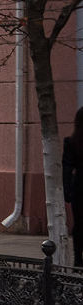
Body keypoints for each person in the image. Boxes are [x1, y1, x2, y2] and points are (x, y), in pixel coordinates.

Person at [65, 106, 83, 265]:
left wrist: (67, 191)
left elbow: (67, 168)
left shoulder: (71, 142)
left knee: (79, 224)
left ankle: (78, 259)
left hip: (79, 188)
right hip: (78, 188)